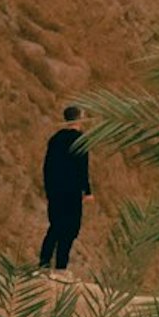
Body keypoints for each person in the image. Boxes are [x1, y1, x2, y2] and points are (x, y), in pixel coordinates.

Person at [37, 107, 89, 273]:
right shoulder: (81, 140)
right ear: (79, 119)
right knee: (70, 228)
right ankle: (61, 267)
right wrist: (87, 191)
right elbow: (82, 167)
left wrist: (49, 189)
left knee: (55, 226)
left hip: (56, 191)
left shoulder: (55, 139)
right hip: (72, 191)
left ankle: (44, 263)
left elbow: (47, 166)